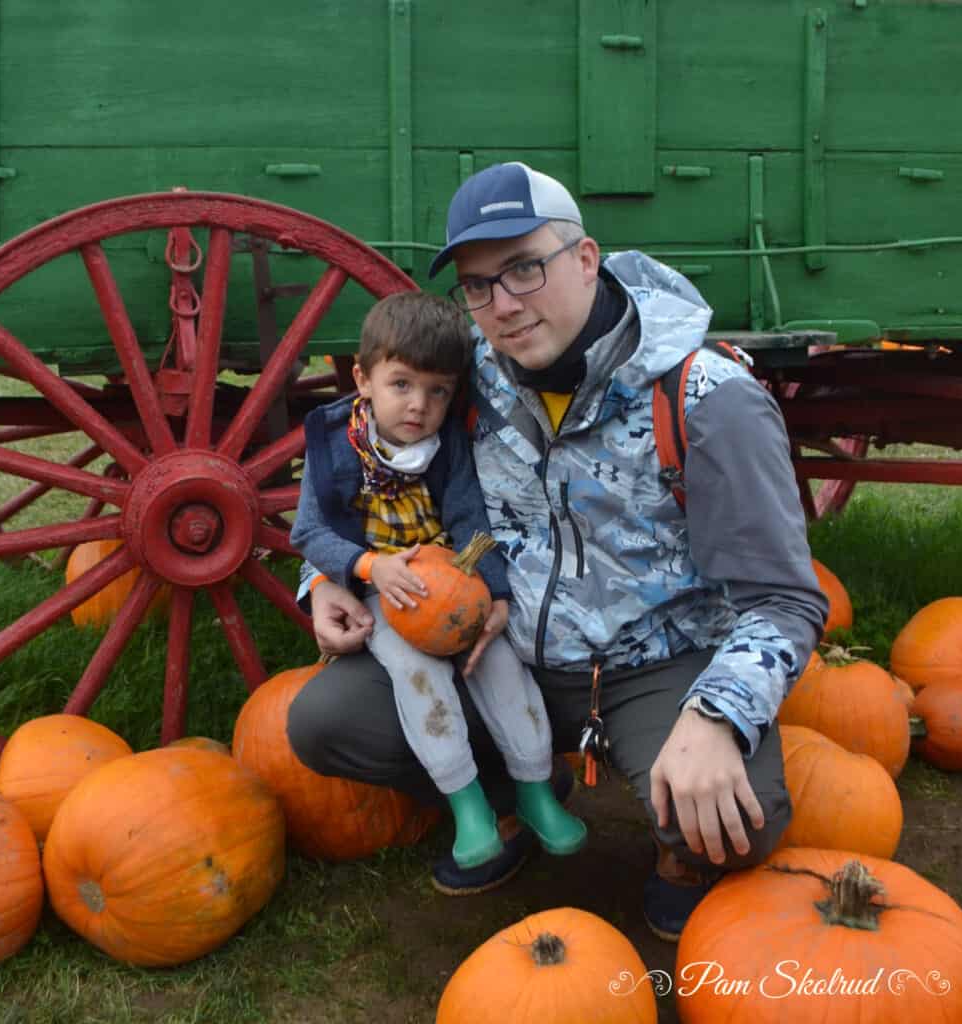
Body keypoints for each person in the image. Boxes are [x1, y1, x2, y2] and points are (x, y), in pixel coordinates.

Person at [288, 162, 827, 940]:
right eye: (479, 285)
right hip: (502, 644)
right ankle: (514, 793)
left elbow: (787, 598)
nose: (503, 304)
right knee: (327, 721)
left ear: (585, 258)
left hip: (652, 662)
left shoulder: (706, 398)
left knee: (740, 817)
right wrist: (325, 574)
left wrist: (715, 717)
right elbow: (360, 447)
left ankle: (679, 851)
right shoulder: (465, 374)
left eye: (525, 268)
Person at [290, 291, 587, 873]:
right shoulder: (334, 445)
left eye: (437, 391)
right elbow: (310, 531)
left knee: (502, 669)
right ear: (363, 378)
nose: (418, 406)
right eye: (401, 384)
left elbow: (470, 518)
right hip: (384, 590)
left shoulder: (446, 445)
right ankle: (469, 805)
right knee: (418, 676)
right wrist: (368, 567)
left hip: (453, 582)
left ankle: (535, 792)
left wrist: (495, 593)